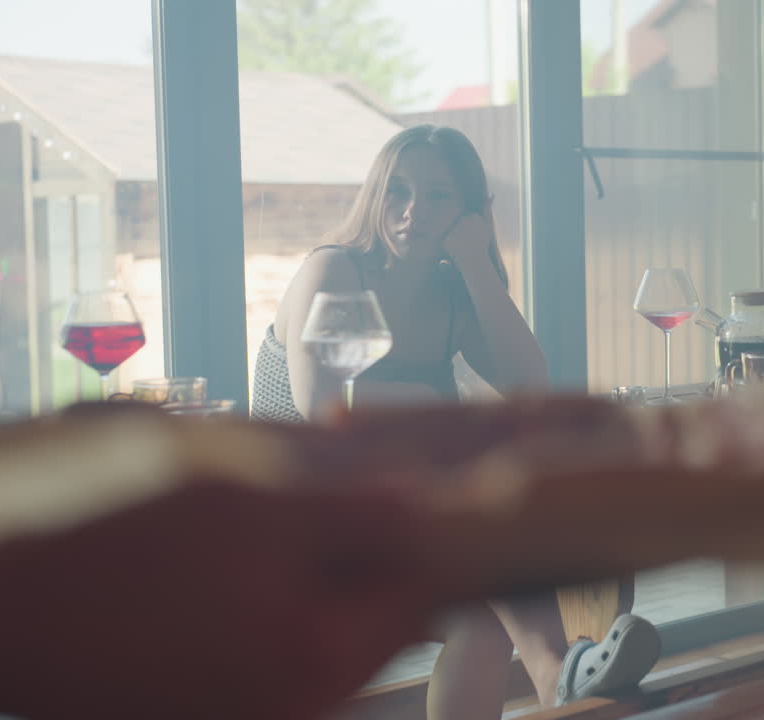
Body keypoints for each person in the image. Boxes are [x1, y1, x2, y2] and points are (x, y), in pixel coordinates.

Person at [0, 390, 764, 720]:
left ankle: (555, 671)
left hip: (348, 488)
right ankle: (557, 673)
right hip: (328, 487)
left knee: (467, 582)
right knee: (465, 573)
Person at [250, 124, 660, 717]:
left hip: (395, 510)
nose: (412, 211)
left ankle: (559, 672)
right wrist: (429, 400)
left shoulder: (451, 294)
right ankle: (560, 670)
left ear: (470, 211)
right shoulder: (335, 271)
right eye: (398, 190)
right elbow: (325, 408)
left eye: (438, 195)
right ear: (375, 194)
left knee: (484, 620)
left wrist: (475, 264)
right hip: (303, 514)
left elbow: (529, 383)